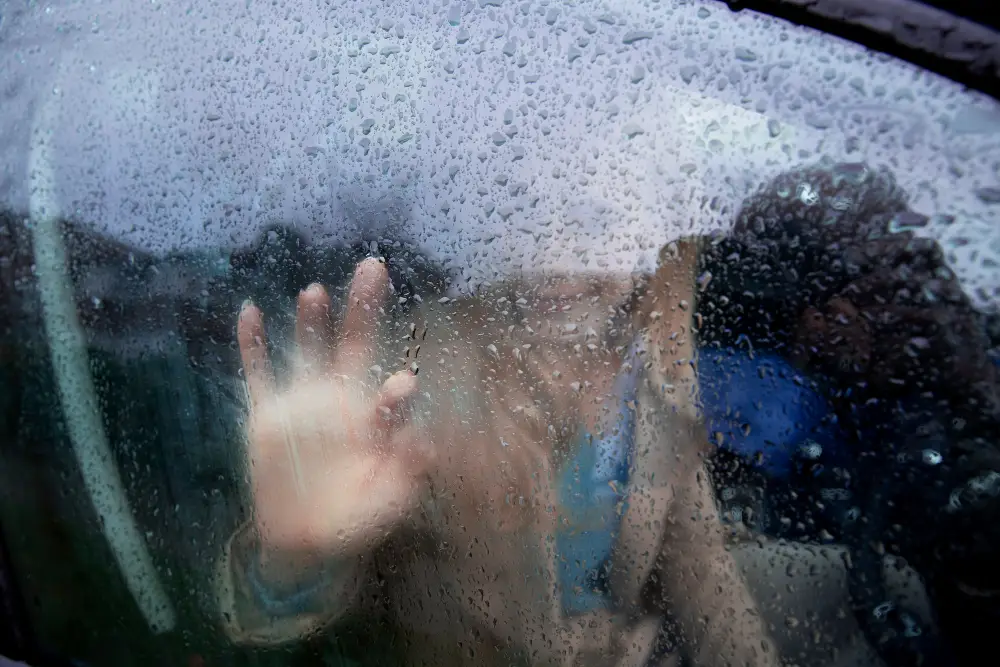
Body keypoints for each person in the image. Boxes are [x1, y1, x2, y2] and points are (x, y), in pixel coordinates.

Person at [213, 222, 920, 666]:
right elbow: (296, 602)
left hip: (632, 634)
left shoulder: (651, 362)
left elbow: (694, 555)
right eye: (527, 213)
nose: (561, 255)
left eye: (601, 217)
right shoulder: (419, 369)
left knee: (895, 589)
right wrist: (291, 561)